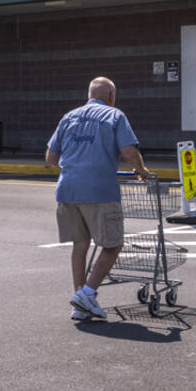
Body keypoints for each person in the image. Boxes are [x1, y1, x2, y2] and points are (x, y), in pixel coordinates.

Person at [45, 76, 149, 322]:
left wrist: (75, 168)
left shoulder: (68, 116)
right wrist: (141, 170)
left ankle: (80, 303)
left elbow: (51, 156)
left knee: (80, 245)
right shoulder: (115, 116)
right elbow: (128, 152)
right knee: (113, 244)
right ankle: (88, 293)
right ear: (111, 96)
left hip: (67, 190)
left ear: (89, 95)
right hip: (99, 190)